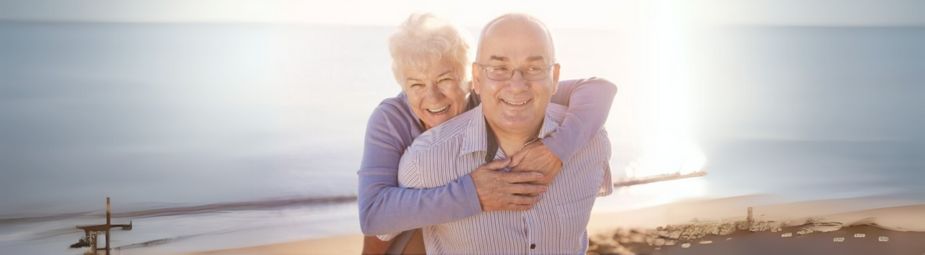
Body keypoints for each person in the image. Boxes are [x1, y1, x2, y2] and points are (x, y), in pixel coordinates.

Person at [358, 13, 617, 254]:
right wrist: (473, 194)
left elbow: (598, 90)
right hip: (407, 227)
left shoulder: (501, 96)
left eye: (445, 79)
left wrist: (557, 149)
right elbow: (374, 216)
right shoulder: (392, 120)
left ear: (472, 79)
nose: (433, 96)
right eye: (416, 84)